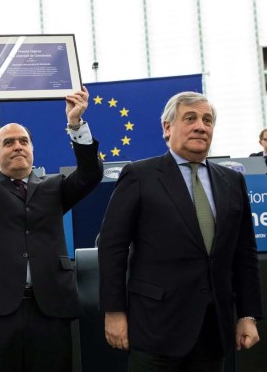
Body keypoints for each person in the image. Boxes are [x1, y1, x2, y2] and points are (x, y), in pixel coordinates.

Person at [98, 91, 262, 371]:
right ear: (167, 127)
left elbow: (244, 253)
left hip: (213, 331)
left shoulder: (232, 181)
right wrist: (114, 312)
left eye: (207, 120)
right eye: (190, 118)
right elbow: (112, 246)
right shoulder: (139, 176)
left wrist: (248, 315)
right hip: (155, 328)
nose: (201, 126)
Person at [0, 68, 103, 371]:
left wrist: (75, 123)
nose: (18, 146)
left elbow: (91, 174)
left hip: (49, 308)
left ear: (33, 150)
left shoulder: (55, 187)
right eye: (8, 142)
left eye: (23, 141)